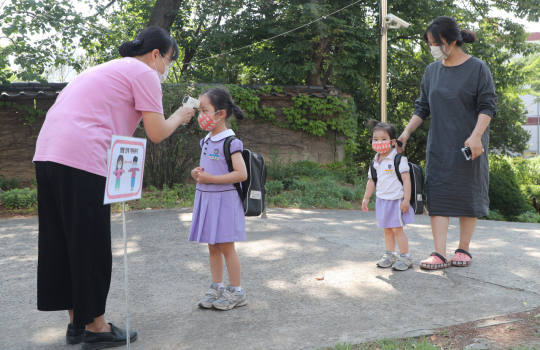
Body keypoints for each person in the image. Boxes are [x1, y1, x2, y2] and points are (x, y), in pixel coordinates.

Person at [33, 27, 195, 348]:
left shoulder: (105, 68)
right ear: (155, 55)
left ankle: (76, 324)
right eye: (169, 60)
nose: (167, 68)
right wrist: (180, 114)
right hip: (83, 156)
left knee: (63, 240)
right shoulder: (145, 73)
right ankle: (97, 328)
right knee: (89, 242)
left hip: (48, 152)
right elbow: (157, 132)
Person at [396, 16, 498, 269]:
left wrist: (476, 135)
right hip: (440, 143)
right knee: (438, 194)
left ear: (452, 42)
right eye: (429, 43)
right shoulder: (432, 71)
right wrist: (406, 133)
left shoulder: (477, 68)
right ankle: (439, 253)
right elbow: (422, 107)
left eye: (435, 42)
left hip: (469, 143)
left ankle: (463, 249)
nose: (432, 47)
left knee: (468, 193)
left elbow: (488, 106)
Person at [189, 87, 248, 310]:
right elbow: (206, 169)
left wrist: (211, 178)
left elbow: (241, 174)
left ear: (220, 113)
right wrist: (197, 173)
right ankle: (217, 287)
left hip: (225, 201)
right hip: (207, 200)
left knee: (226, 247)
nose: (201, 116)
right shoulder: (206, 141)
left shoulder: (231, 142)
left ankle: (237, 292)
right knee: (212, 246)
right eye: (200, 111)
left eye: (205, 110)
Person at [362, 120, 415, 271]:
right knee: (387, 229)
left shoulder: (398, 159)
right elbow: (372, 181)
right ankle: (391, 254)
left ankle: (406, 257)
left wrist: (406, 199)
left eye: (383, 139)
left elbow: (406, 180)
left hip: (396, 201)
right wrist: (366, 198)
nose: (379, 142)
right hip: (381, 200)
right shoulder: (375, 161)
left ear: (392, 142)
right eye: (375, 139)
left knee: (397, 229)